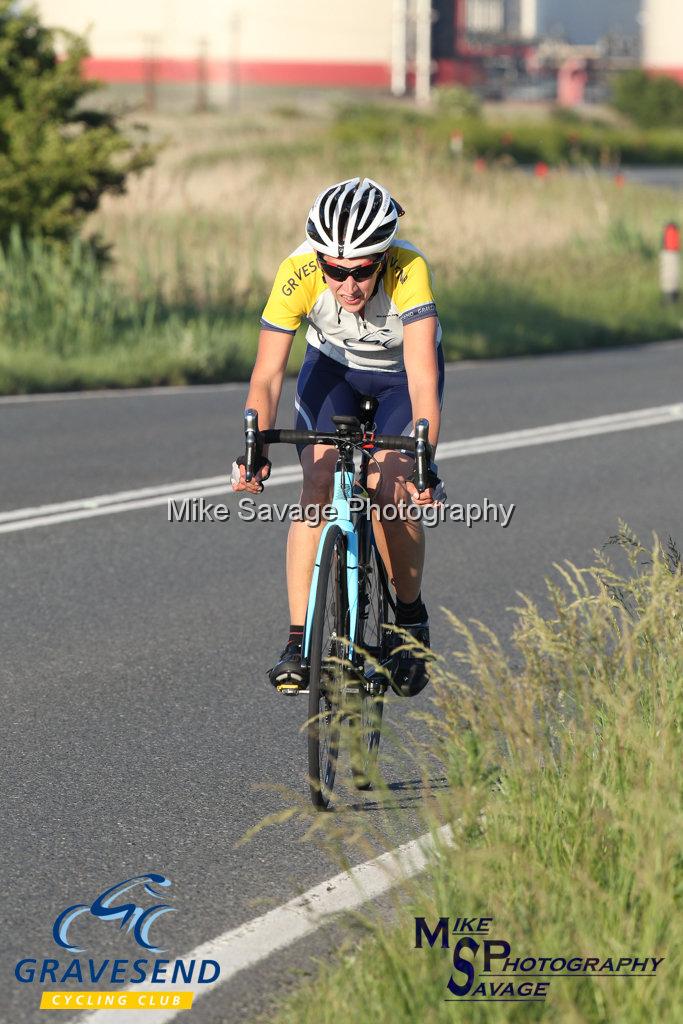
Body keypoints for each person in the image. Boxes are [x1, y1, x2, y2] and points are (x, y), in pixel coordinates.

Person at [231, 177, 445, 697]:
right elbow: (266, 375)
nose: (348, 286)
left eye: (362, 271)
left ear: (383, 258)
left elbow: (421, 380)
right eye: (335, 271)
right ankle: (299, 641)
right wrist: (254, 448)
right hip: (333, 371)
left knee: (391, 490)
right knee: (319, 481)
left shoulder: (409, 269)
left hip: (399, 378)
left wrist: (424, 463)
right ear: (319, 260)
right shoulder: (296, 271)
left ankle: (409, 621)